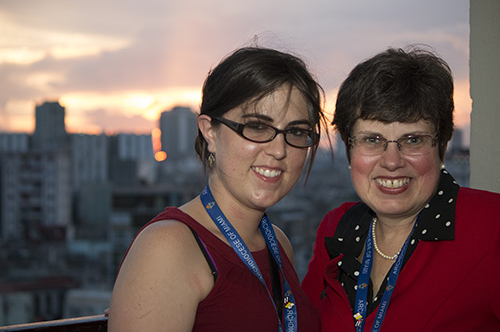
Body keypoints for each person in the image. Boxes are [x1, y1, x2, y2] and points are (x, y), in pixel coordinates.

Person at [108, 46, 327, 331]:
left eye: (296, 132)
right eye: (257, 127)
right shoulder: (169, 248)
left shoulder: (278, 243)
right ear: (210, 132)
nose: (279, 150)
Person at [302, 46, 500, 331]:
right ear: (349, 150)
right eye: (372, 140)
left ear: (441, 147)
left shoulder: (491, 227)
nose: (392, 161)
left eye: (413, 140)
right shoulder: (336, 229)